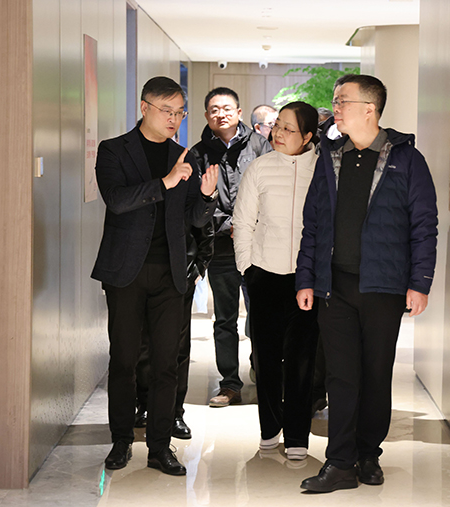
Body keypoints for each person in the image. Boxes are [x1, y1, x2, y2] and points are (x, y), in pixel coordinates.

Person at [295, 74, 438, 492]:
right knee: (341, 376)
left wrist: (420, 282)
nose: (335, 108)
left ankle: (368, 454)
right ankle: (340, 462)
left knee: (376, 373)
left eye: (343, 101)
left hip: (384, 287)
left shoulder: (406, 159)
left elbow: (424, 224)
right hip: (334, 285)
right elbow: (312, 222)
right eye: (336, 101)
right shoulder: (330, 157)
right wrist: (306, 278)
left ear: (370, 109)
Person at [91, 76, 219, 476]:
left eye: (180, 112)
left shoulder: (185, 155)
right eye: (167, 111)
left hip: (171, 274)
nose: (174, 119)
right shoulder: (113, 150)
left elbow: (193, 218)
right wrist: (164, 183)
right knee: (124, 360)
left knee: (166, 364)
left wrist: (207, 197)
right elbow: (117, 200)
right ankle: (121, 440)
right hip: (126, 273)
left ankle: (160, 447)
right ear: (144, 108)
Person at [233, 101, 320, 461]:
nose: (278, 133)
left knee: (302, 361)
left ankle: (298, 436)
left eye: (288, 128)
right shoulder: (260, 167)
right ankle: (269, 429)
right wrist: (247, 268)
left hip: (307, 278)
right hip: (265, 275)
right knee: (266, 358)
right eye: (277, 125)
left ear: (308, 136)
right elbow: (243, 222)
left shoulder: (323, 169)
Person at [190, 87, 272, 407]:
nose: (220, 114)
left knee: (261, 316)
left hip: (259, 248)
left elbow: (272, 190)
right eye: (214, 109)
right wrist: (230, 226)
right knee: (224, 319)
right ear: (206, 115)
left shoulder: (260, 145)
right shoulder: (198, 154)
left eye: (227, 108)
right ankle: (229, 385)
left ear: (239, 112)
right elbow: (197, 202)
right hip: (222, 248)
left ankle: (263, 373)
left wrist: (250, 224)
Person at [134, 221, 214, 441]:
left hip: (180, 273)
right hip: (142, 270)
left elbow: (204, 226)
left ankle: (175, 411)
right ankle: (145, 404)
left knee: (178, 345)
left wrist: (199, 268)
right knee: (143, 343)